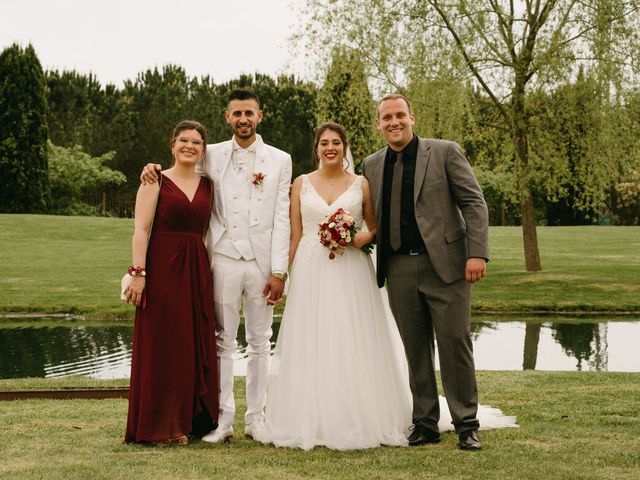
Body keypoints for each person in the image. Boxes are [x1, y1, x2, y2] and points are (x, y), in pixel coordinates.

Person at [141, 90, 291, 443]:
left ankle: (256, 419)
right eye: (236, 113)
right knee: (221, 341)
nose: (243, 119)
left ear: (260, 116)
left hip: (261, 262)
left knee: (260, 341)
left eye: (249, 113)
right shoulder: (211, 153)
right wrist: (151, 169)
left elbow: (282, 218)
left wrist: (280, 271)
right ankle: (223, 420)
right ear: (227, 117)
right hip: (221, 258)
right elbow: (179, 162)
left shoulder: (280, 160)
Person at [263, 122, 412, 450]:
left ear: (345, 147)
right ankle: (311, 416)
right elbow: (295, 234)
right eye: (323, 143)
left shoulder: (361, 184)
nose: (330, 147)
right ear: (316, 148)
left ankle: (359, 414)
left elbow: (374, 228)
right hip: (311, 268)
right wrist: (281, 275)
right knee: (313, 337)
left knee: (350, 335)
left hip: (351, 268)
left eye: (336, 142)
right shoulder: (301, 184)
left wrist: (361, 237)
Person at [363, 93, 489, 451]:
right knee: (415, 349)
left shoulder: (445, 151)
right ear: (378, 124)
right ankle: (425, 423)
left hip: (446, 266)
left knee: (455, 345)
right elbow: (371, 218)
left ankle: (466, 424)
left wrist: (477, 253)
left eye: (399, 115)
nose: (393, 122)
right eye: (386, 117)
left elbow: (473, 202)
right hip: (399, 268)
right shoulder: (372, 164)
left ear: (411, 118)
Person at [125, 120, 218, 445]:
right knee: (162, 345)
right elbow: (141, 230)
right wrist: (138, 275)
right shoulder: (155, 180)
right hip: (162, 268)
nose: (190, 146)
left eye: (196, 142)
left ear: (203, 149)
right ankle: (156, 425)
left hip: (196, 270)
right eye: (183, 140)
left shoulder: (209, 185)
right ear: (172, 145)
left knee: (188, 347)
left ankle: (184, 421)